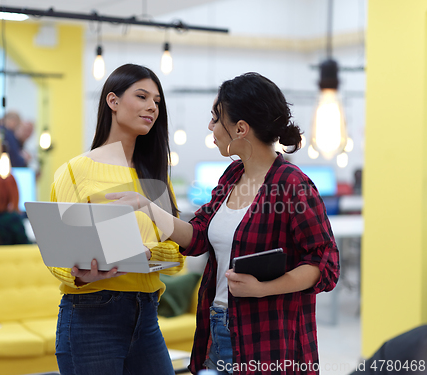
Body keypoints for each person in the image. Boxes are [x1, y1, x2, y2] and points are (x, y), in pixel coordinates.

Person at [107, 72, 340, 375]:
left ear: (241, 129)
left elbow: (325, 264)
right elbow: (199, 235)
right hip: (217, 328)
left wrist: (263, 289)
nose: (210, 126)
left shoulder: (292, 185)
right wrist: (147, 208)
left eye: (216, 118)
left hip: (267, 339)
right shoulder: (232, 178)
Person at [48, 63, 185, 375]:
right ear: (113, 101)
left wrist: (147, 253)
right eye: (142, 96)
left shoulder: (157, 176)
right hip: (91, 316)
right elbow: (57, 255)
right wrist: (82, 275)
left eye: (157, 102)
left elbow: (178, 255)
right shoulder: (75, 170)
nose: (152, 106)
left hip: (148, 316)